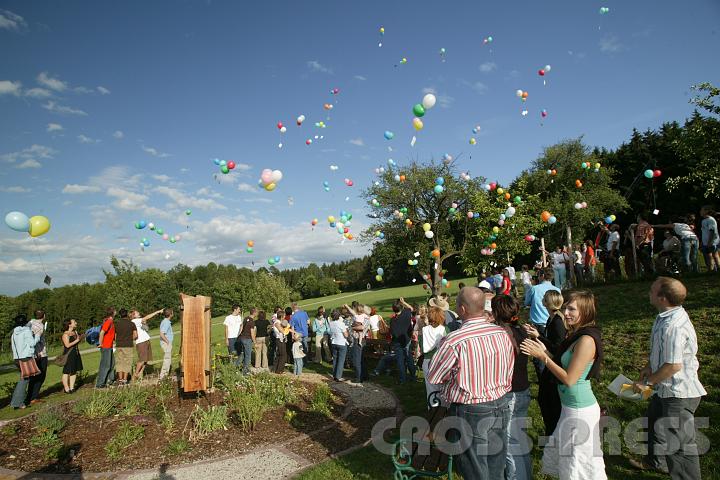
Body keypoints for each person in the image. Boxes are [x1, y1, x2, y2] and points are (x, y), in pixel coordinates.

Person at [427, 287, 514, 479]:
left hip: (470, 408)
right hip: (500, 402)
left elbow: (434, 375)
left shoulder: (455, 340)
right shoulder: (501, 333)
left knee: (474, 467)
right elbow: (509, 368)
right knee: (496, 464)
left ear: (462, 309)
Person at [521, 291, 606, 479]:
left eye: (571, 309)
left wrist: (542, 357)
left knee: (578, 463)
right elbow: (562, 364)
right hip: (569, 407)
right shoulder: (577, 334)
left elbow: (569, 379)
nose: (565, 313)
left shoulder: (586, 340)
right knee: (573, 460)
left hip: (580, 410)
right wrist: (545, 351)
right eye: (566, 308)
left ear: (585, 311)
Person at [629, 277, 706, 477]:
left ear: (662, 298)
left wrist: (647, 382)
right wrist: (649, 366)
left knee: (679, 447)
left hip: (678, 392)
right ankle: (656, 462)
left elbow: (673, 365)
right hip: (664, 388)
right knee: (653, 422)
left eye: (652, 290)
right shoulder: (664, 317)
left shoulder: (673, 326)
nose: (649, 292)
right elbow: (662, 351)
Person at [492, 295, 532, 480]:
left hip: (510, 394)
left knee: (510, 444)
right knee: (519, 441)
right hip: (523, 389)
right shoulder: (521, 330)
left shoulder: (500, 335)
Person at [524, 290, 567, 436]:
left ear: (548, 303)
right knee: (544, 399)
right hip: (551, 364)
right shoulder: (552, 318)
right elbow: (550, 342)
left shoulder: (558, 322)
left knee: (548, 401)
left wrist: (539, 336)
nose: (542, 299)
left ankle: (552, 434)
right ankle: (551, 432)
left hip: (555, 366)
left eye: (544, 298)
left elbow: (557, 348)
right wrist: (536, 334)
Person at [10, 314, 40, 409]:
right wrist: (37, 336)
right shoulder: (26, 331)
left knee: (23, 379)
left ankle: (18, 402)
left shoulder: (14, 333)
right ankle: (18, 403)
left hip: (17, 358)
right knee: (24, 380)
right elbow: (32, 343)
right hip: (25, 358)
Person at [419, 306, 447, 406]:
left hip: (427, 360)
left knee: (431, 389)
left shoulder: (424, 330)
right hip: (441, 361)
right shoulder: (445, 329)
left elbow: (422, 347)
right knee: (443, 388)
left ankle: (433, 410)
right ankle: (444, 409)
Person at [525, 268, 561, 338]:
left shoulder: (534, 288)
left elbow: (527, 302)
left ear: (543, 275)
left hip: (538, 323)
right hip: (553, 322)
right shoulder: (557, 290)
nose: (538, 278)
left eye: (538, 275)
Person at [392, 298, 417, 384]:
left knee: (400, 361)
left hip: (398, 342)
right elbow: (411, 308)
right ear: (402, 307)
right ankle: (413, 376)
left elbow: (393, 333)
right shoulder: (406, 313)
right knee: (409, 359)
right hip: (407, 340)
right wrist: (403, 302)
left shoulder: (393, 320)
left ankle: (402, 379)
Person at [132, 309, 162, 380]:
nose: (138, 313)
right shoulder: (134, 321)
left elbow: (146, 328)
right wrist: (157, 312)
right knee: (142, 360)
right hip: (141, 342)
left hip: (146, 340)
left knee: (146, 359)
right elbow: (147, 317)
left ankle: (140, 373)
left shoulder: (138, 321)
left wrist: (144, 323)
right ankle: (135, 375)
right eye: (136, 313)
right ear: (133, 315)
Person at [26, 310, 48, 405]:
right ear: (44, 316)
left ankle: (30, 396)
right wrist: (37, 352)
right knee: (40, 375)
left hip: (32, 353)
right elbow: (34, 340)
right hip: (40, 354)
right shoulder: (40, 326)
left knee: (34, 376)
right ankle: (33, 397)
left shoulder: (29, 323)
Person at [345, 303, 370, 385]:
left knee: (356, 360)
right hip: (358, 339)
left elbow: (362, 327)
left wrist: (352, 327)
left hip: (359, 340)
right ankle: (364, 376)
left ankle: (358, 378)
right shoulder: (361, 317)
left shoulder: (366, 318)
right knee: (361, 360)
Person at [113, 309, 137, 385]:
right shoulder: (131, 323)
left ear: (120, 315)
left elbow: (114, 336)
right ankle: (125, 380)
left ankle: (120, 380)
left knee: (119, 362)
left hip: (119, 345)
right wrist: (129, 338)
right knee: (127, 362)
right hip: (128, 345)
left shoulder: (116, 324)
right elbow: (135, 335)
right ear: (127, 314)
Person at [61, 319, 84, 393]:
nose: (76, 323)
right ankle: (66, 388)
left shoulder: (75, 332)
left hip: (76, 353)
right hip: (69, 354)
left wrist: (80, 338)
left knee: (74, 370)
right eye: (74, 322)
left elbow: (76, 342)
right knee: (67, 371)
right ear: (69, 324)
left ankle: (72, 387)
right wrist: (77, 340)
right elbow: (67, 345)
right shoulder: (65, 334)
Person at [95, 307, 116, 388]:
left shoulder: (111, 321)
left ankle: (110, 381)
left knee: (112, 363)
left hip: (109, 346)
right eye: (114, 310)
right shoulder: (108, 321)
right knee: (105, 365)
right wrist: (100, 343)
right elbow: (102, 332)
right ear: (113, 312)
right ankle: (100, 384)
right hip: (106, 346)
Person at [328, 309, 349, 382]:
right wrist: (347, 330)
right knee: (341, 360)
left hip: (334, 342)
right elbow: (346, 335)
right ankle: (338, 376)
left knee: (335, 359)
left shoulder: (331, 323)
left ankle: (335, 375)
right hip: (341, 342)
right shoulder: (341, 324)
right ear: (339, 316)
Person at [633, 213, 655, 278]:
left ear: (640, 217)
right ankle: (650, 276)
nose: (637, 218)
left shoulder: (641, 225)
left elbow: (642, 236)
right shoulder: (648, 225)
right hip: (648, 245)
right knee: (648, 261)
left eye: (637, 217)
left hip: (643, 245)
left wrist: (637, 245)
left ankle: (648, 276)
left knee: (645, 262)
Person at [700, 205, 719, 272]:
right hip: (706, 242)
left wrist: (710, 242)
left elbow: (712, 231)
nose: (700, 211)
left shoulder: (710, 220)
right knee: (708, 256)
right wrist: (703, 242)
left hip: (712, 242)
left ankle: (718, 269)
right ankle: (711, 270)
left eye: (702, 210)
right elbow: (704, 232)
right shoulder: (703, 221)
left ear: (706, 211)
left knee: (714, 255)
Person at [237, 307, 257, 374]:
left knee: (242, 354)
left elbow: (241, 327)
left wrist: (238, 336)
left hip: (242, 338)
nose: (257, 314)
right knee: (248, 355)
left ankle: (235, 367)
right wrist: (255, 342)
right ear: (254, 313)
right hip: (247, 339)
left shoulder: (246, 318)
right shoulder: (252, 321)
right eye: (256, 312)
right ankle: (245, 371)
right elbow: (252, 333)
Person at [158, 308, 174, 379]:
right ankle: (163, 377)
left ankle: (164, 376)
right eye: (172, 312)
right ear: (170, 314)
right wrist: (168, 342)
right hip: (166, 343)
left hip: (166, 343)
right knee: (167, 360)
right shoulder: (166, 322)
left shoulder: (165, 321)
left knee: (168, 359)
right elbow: (162, 334)